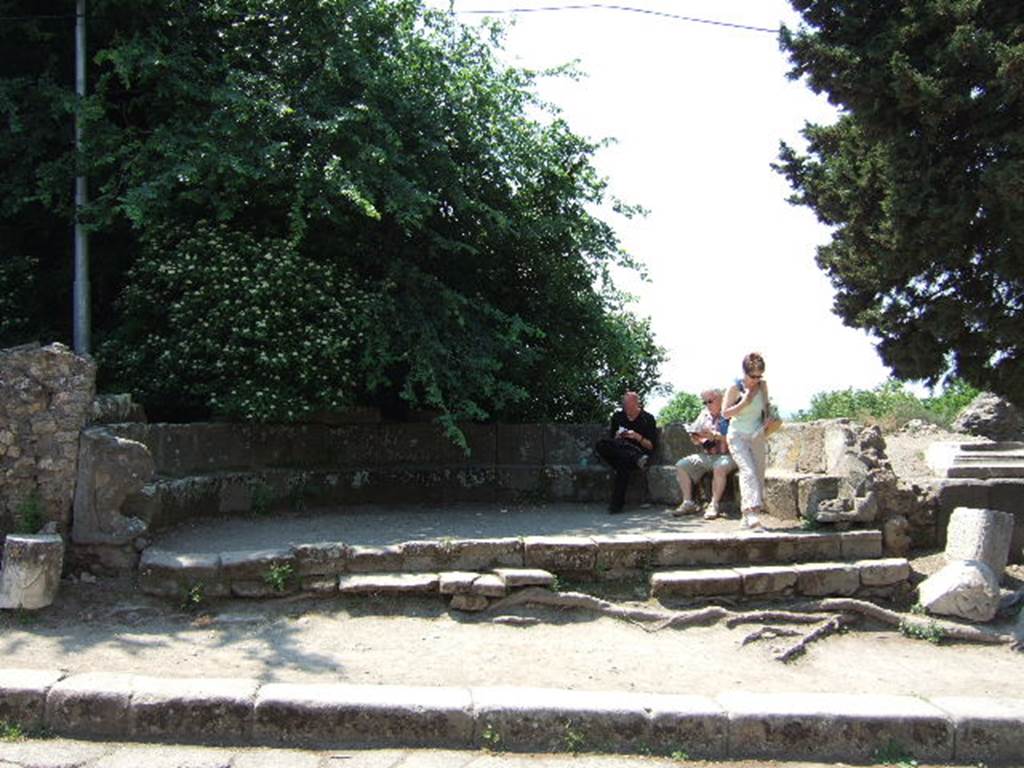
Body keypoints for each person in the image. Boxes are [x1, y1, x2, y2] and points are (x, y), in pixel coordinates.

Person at [721, 352, 772, 530]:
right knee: (747, 471)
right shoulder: (734, 388)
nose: (756, 379)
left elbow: (766, 407)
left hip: (757, 434)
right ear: (745, 373)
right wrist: (745, 401)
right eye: (753, 376)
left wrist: (768, 417)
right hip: (737, 435)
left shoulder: (763, 386)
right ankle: (751, 514)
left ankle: (747, 517)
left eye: (759, 376)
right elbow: (725, 413)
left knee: (758, 474)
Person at [672, 388, 736, 519]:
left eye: (710, 401)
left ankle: (714, 504)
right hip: (708, 455)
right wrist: (697, 437)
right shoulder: (704, 414)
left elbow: (738, 438)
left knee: (720, 467)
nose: (707, 405)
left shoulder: (730, 413)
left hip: (730, 455)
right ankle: (688, 502)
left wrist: (716, 437)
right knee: (682, 465)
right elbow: (695, 434)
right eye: (705, 402)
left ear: (720, 399)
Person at [595, 391, 658, 515]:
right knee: (601, 444)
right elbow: (611, 441)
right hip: (622, 451)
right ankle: (635, 456)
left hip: (640, 453)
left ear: (636, 404)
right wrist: (618, 436)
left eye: (629, 405)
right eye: (625, 405)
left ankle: (616, 506)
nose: (627, 408)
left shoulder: (647, 418)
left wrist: (637, 437)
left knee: (622, 465)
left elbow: (651, 446)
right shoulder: (618, 417)